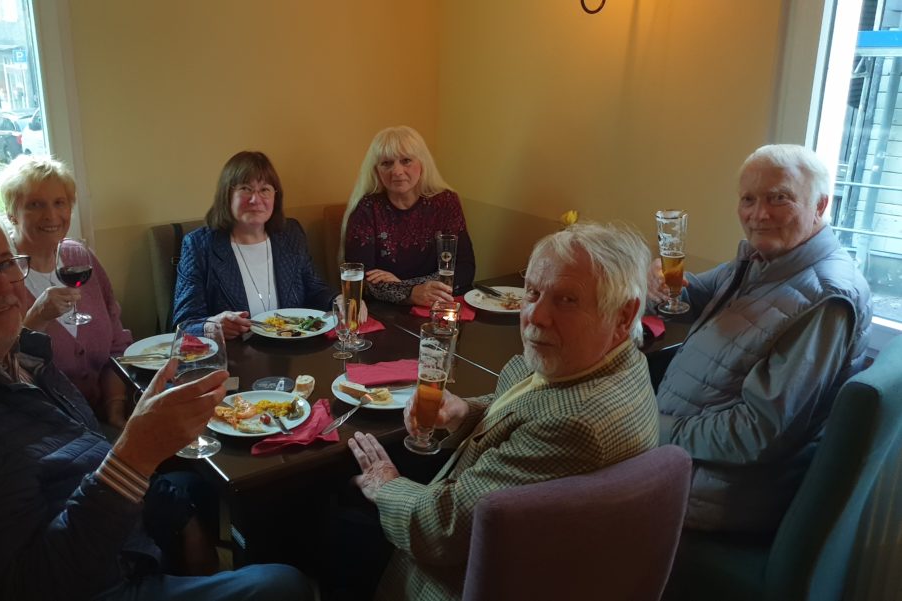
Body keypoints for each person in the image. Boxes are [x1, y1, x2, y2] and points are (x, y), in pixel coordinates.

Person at [0, 209, 313, 601]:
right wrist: (134, 456)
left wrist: (139, 441)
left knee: (193, 486)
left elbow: (69, 445)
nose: (4, 286)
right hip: (87, 579)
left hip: (93, 527)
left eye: (5, 263)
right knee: (283, 585)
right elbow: (38, 583)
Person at [341, 223, 660, 601]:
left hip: (456, 579)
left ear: (623, 315)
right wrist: (464, 412)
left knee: (334, 518)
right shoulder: (609, 362)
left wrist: (386, 483)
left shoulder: (575, 426)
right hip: (506, 537)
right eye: (534, 292)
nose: (535, 317)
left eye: (567, 300)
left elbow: (443, 530)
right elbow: (529, 406)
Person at [654, 144, 872, 534]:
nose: (759, 215)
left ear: (820, 205)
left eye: (779, 198)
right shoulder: (765, 260)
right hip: (682, 458)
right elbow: (691, 298)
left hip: (717, 493)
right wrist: (661, 286)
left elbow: (757, 433)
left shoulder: (824, 297)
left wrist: (654, 428)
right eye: (748, 199)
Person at [0, 155, 133, 428]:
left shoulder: (79, 257)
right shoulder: (0, 276)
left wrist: (115, 406)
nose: (51, 215)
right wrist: (36, 321)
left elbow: (117, 343)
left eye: (59, 203)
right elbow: (2, 372)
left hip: (106, 412)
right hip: (47, 428)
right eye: (35, 205)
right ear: (12, 213)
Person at [172, 151, 337, 338]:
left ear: (276, 196)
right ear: (227, 195)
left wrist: (339, 301)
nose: (255, 199)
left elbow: (314, 287)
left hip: (291, 354)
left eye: (265, 189)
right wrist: (211, 326)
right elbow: (183, 323)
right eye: (246, 189)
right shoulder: (198, 246)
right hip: (234, 358)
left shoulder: (290, 234)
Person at [342, 125, 475, 306]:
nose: (397, 171)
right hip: (388, 314)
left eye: (406, 161)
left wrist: (405, 287)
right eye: (386, 163)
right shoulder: (366, 208)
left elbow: (465, 267)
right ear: (376, 170)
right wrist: (412, 293)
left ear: (422, 163)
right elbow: (362, 280)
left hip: (439, 305)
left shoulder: (446, 202)